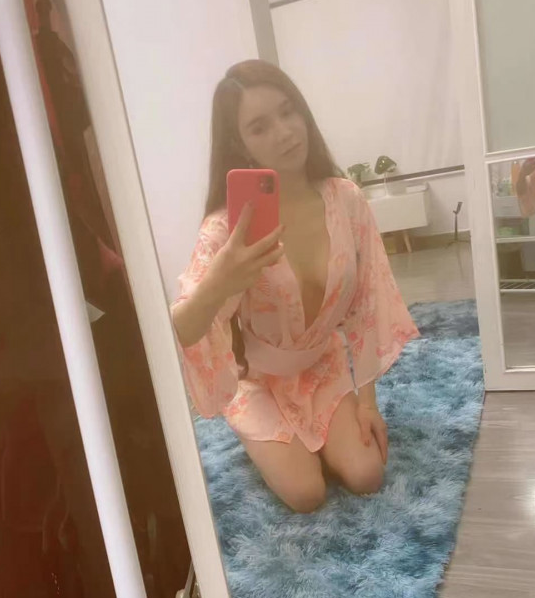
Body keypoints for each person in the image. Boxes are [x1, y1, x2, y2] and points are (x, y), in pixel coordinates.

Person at [172, 60, 418, 513]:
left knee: (367, 475)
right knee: (306, 495)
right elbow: (182, 328)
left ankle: (317, 434)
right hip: (259, 381)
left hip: (322, 365)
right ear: (238, 143)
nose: (284, 132)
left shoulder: (346, 200)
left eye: (288, 111)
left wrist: (368, 403)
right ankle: (257, 432)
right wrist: (221, 280)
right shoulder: (226, 227)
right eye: (259, 127)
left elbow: (367, 305)